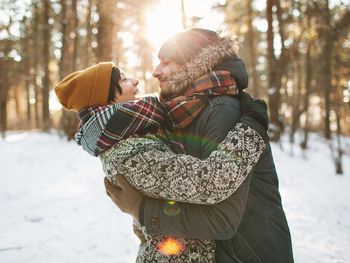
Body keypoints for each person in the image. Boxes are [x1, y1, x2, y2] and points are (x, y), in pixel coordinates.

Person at [106, 28, 294, 262]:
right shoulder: (185, 111)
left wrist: (142, 211)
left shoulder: (223, 110)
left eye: (166, 62)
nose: (156, 72)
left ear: (194, 65)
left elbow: (221, 219)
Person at [55, 61, 269, 262]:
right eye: (124, 80)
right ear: (108, 98)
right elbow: (210, 181)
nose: (135, 81)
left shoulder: (130, 138)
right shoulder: (132, 153)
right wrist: (253, 126)